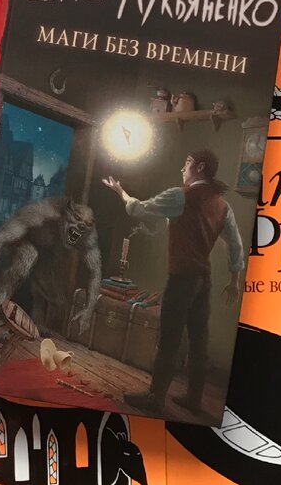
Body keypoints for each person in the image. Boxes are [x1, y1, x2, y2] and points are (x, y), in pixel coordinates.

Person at [102, 148, 244, 417]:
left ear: (199, 167)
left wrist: (121, 192)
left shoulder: (180, 196)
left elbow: (138, 208)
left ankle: (155, 398)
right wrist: (235, 280)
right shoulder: (223, 205)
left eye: (187, 163)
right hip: (203, 280)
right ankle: (194, 398)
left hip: (182, 280)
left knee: (169, 338)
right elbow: (235, 245)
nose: (182, 168)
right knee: (199, 339)